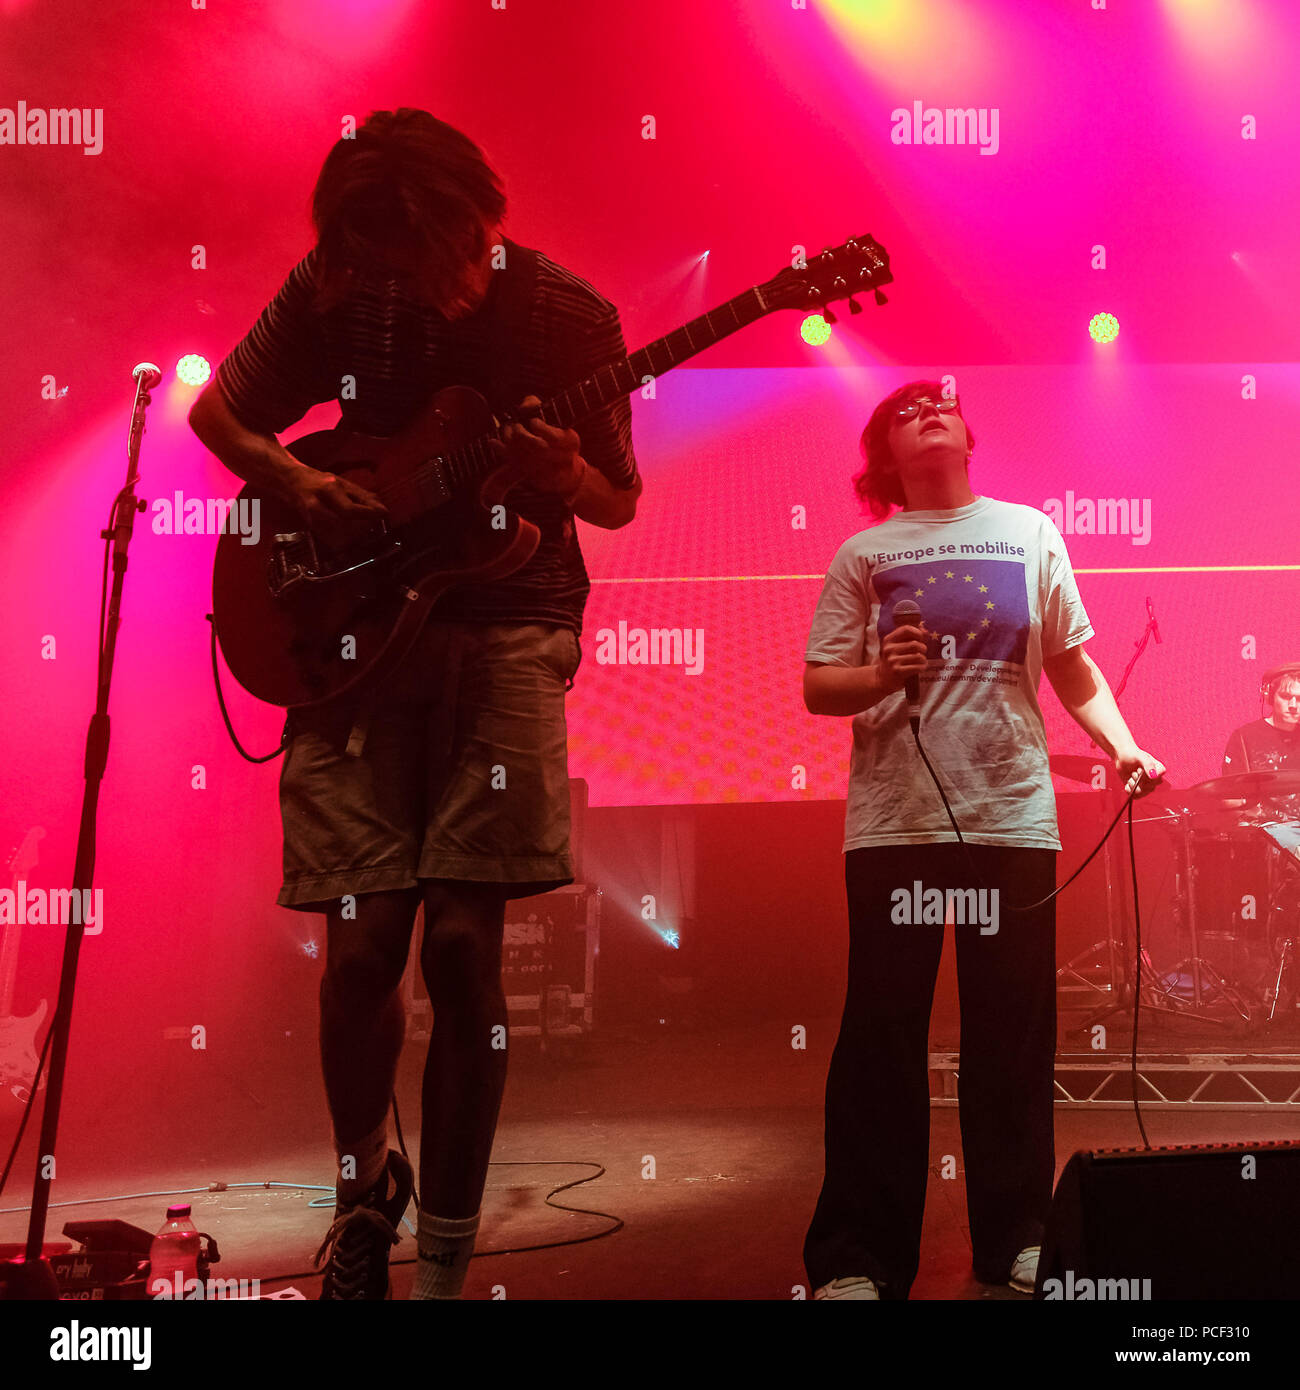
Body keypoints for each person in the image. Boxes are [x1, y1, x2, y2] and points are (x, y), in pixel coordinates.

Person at [188, 109, 642, 1299]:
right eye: (372, 263)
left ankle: (444, 1258)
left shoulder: (567, 316)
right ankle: (360, 1196)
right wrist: (295, 478)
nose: (394, 287)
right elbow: (219, 413)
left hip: (507, 620)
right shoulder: (337, 279)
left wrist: (563, 473)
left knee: (457, 940)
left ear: (476, 226)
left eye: (416, 261)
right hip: (348, 635)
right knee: (357, 950)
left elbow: (616, 500)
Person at [800, 381, 1164, 1300]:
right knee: (883, 1038)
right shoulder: (864, 551)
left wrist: (1123, 747)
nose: (928, 409)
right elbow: (818, 685)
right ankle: (857, 1258)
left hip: (1010, 819)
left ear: (968, 434)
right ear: (882, 451)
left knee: (1012, 1037)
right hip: (895, 826)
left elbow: (1073, 666)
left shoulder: (1032, 532)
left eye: (942, 403)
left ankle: (1021, 1238)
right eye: (904, 408)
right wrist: (882, 671)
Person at [1222, 664, 1300, 774]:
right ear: (1269, 697)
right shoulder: (1244, 737)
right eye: (1285, 696)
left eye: (1299, 699)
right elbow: (1232, 787)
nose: (1293, 705)